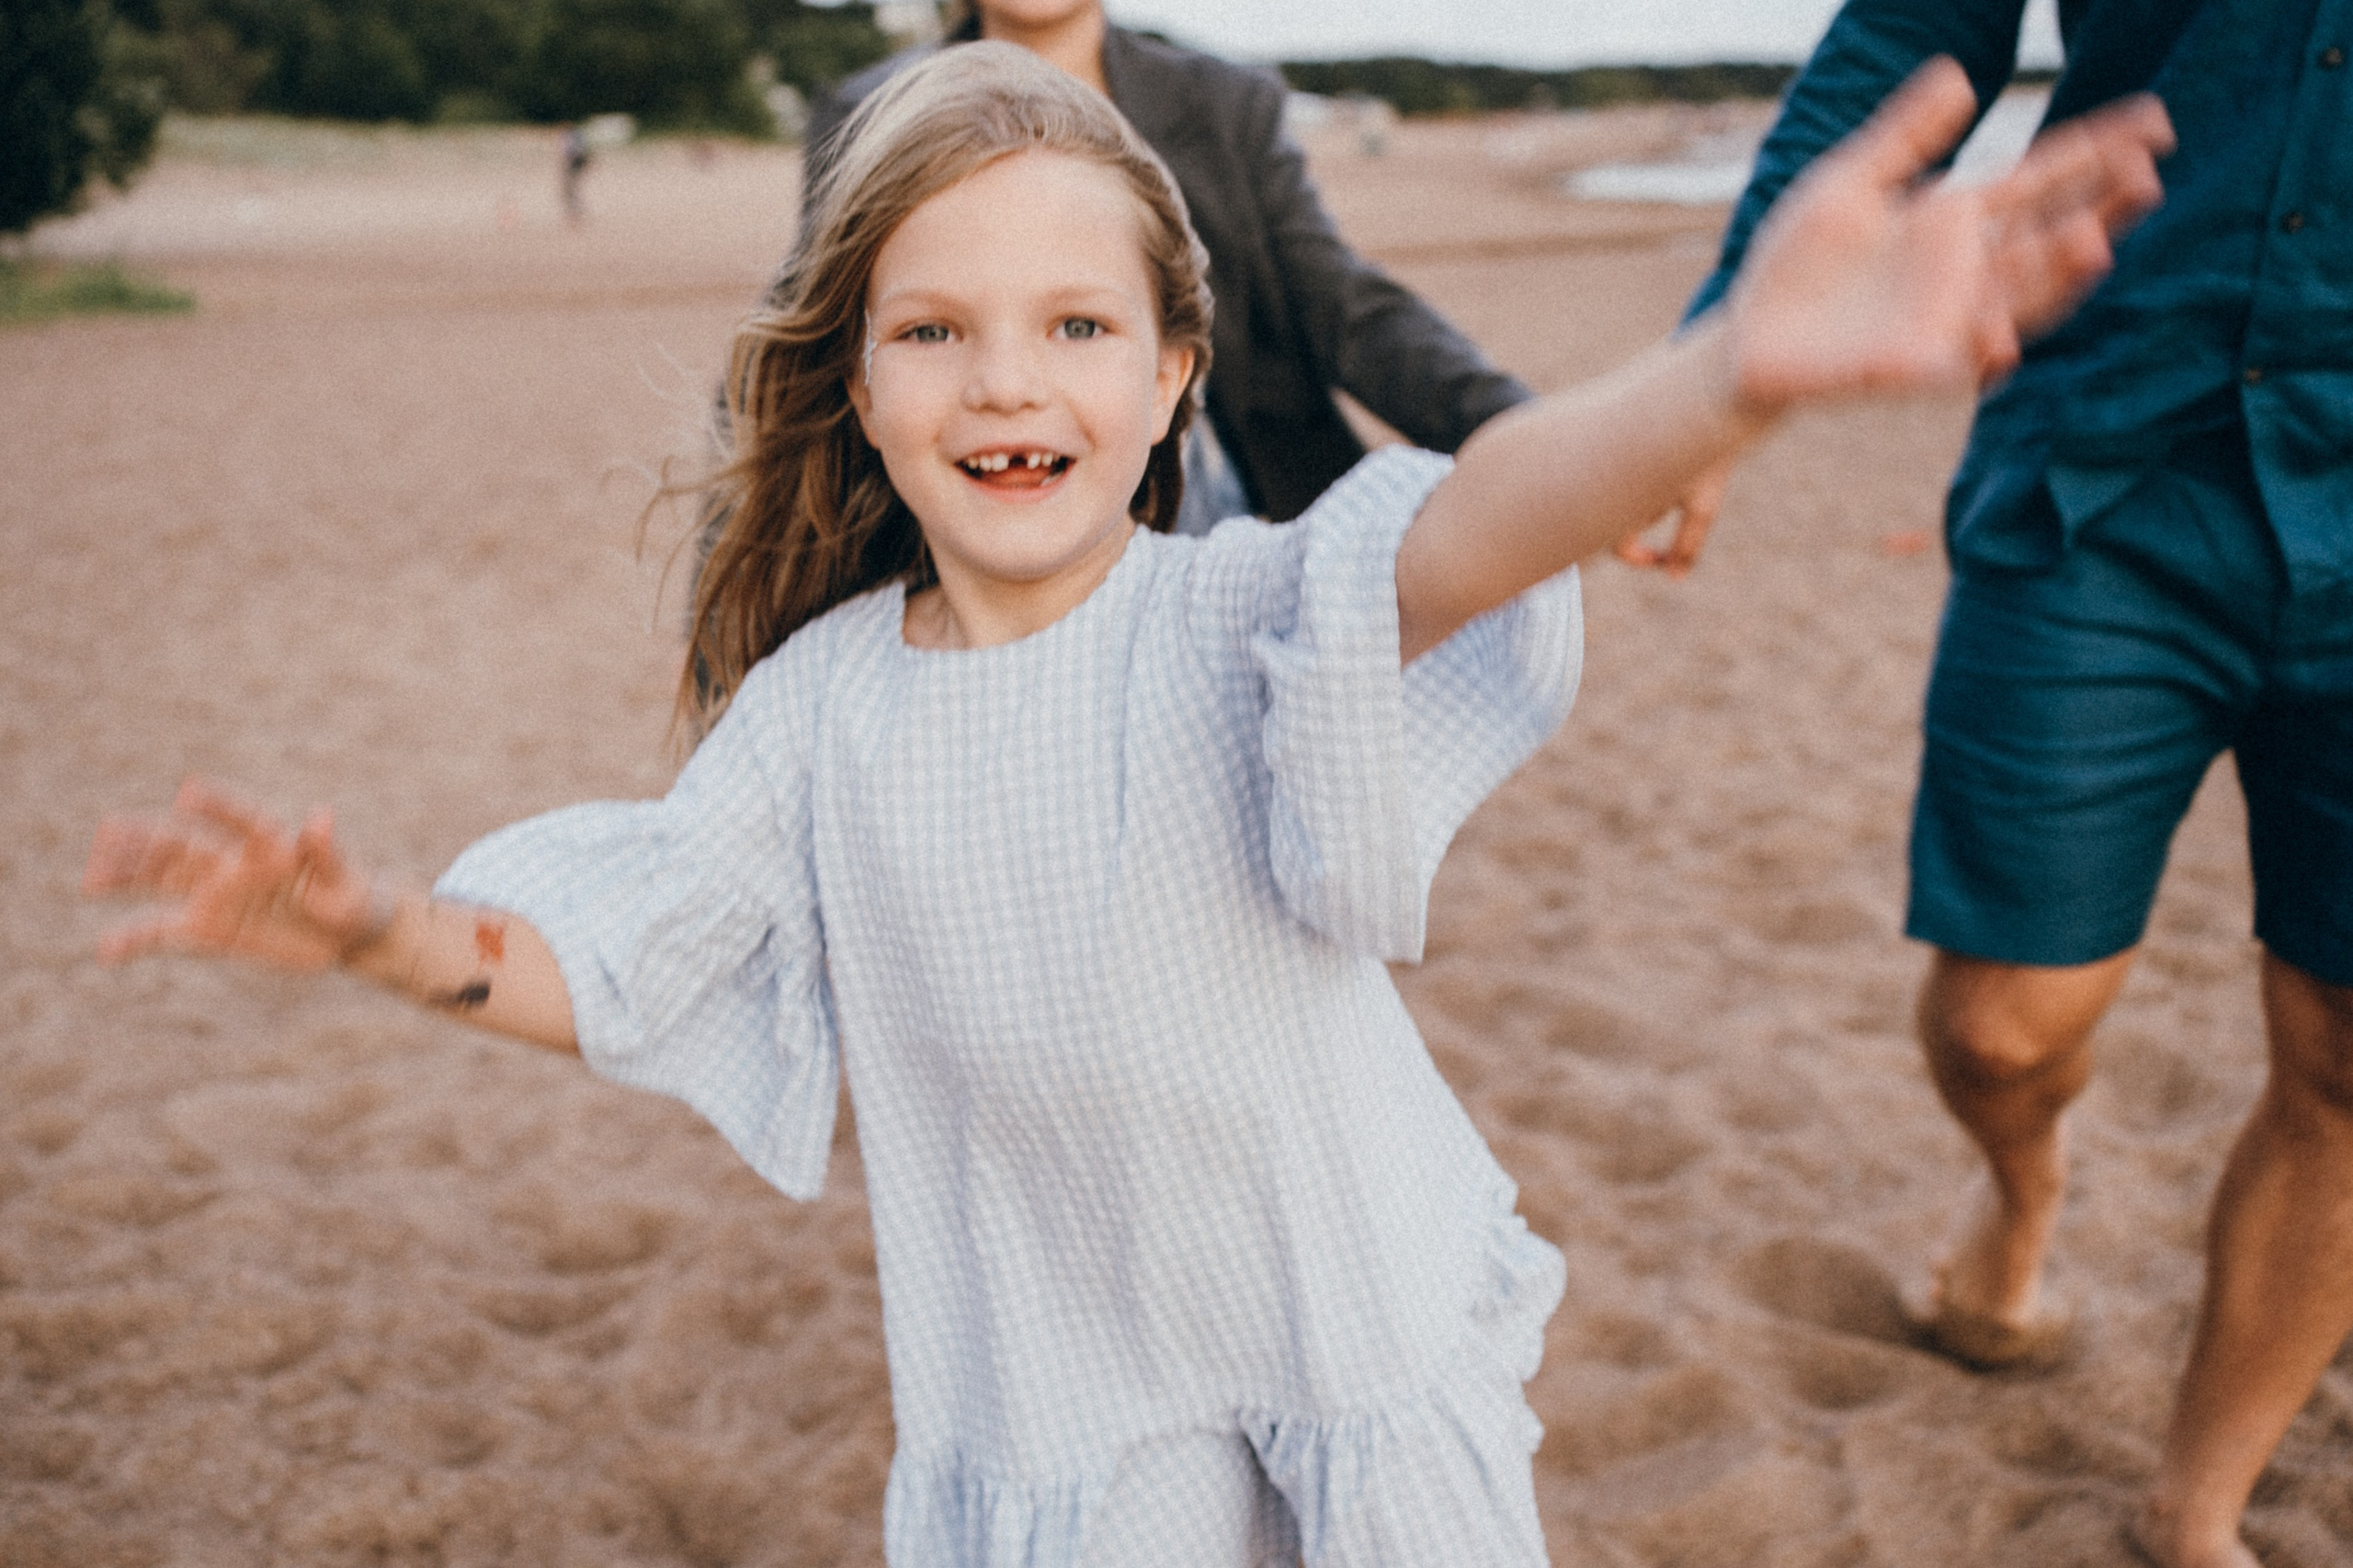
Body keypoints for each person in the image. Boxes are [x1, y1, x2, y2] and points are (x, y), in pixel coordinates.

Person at [81, 44, 2166, 1568]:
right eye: (937, 331)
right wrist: (377, 936)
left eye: (1076, 326)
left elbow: (1475, 520)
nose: (1008, 382)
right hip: (1061, 1410)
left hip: (1342, 1354)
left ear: (1175, 372)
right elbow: (623, 954)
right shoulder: (815, 715)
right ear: (859, 380)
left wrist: (1728, 375)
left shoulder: (1249, 615)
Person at [1656, 4, 2353, 1565]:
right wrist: (1725, 363)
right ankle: (2019, 1192)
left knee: (2347, 1057)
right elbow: (1905, 38)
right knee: (2000, 1025)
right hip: (2112, 447)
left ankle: (2198, 1507)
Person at [795, 0, 1532, 533]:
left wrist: (1525, 434)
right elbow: (805, 347)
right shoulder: (869, 113)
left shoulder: (1223, 104)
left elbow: (1342, 305)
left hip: (1222, 510)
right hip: (969, 522)